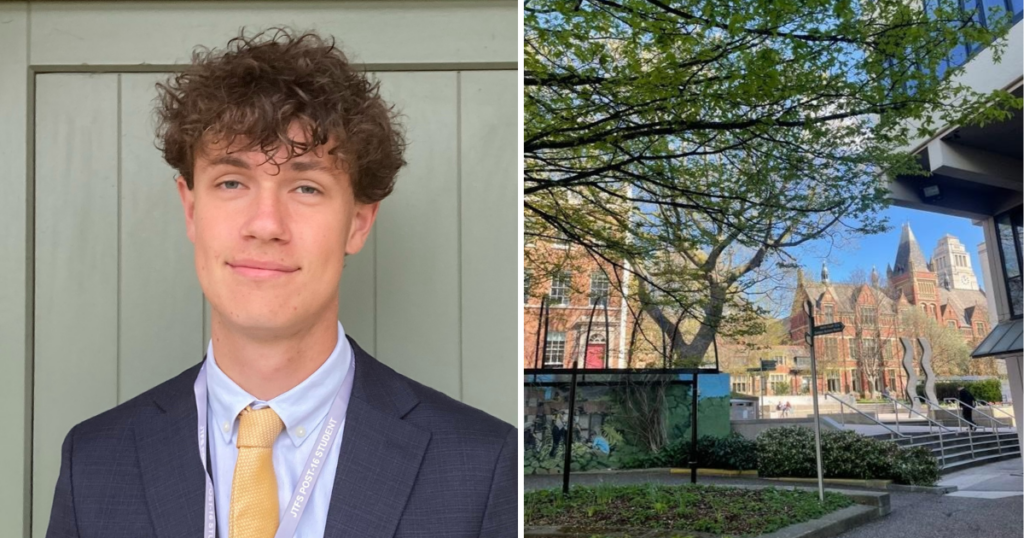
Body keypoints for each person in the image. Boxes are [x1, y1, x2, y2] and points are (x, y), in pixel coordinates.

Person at [45, 28, 515, 538]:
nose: (266, 223)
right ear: (191, 207)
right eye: (232, 182)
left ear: (358, 222)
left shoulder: (482, 464)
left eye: (306, 186)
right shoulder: (93, 462)